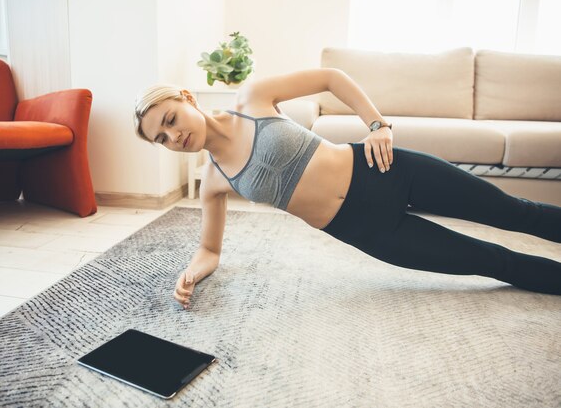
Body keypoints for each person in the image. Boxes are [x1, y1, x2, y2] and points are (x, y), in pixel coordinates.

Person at [134, 68, 561, 308]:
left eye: (170, 120)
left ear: (187, 98)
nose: (172, 137)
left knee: (515, 211)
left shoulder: (253, 98)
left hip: (387, 170)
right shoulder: (213, 181)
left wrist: (377, 125)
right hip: (369, 232)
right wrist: (193, 272)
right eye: (161, 139)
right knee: (494, 262)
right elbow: (210, 250)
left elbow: (331, 78)